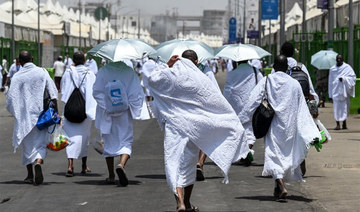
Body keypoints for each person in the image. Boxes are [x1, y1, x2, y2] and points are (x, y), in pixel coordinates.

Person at [147, 51, 249, 211]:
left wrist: (167, 64)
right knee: (188, 165)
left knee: (173, 163)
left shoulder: (170, 74)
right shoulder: (201, 78)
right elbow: (214, 99)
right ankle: (186, 202)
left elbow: (152, 79)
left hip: (174, 127)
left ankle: (180, 203)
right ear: (196, 61)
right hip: (194, 129)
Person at [239, 55, 321, 202]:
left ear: (274, 67)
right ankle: (278, 187)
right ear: (287, 68)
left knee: (273, 155)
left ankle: (281, 186)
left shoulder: (267, 80)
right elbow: (302, 108)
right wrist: (310, 130)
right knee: (285, 157)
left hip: (273, 125)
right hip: (290, 127)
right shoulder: (295, 84)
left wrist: (241, 119)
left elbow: (253, 100)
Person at [6, 50, 58, 185]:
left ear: (19, 61)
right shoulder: (42, 72)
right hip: (41, 116)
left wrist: (17, 112)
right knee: (41, 143)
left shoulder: (17, 76)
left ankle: (30, 175)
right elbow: (53, 92)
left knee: (26, 146)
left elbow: (10, 100)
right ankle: (39, 162)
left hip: (24, 118)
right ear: (33, 59)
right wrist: (56, 111)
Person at [92, 60, 145, 186]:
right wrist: (131, 107)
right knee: (126, 140)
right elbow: (136, 93)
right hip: (124, 113)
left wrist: (108, 105)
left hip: (107, 113)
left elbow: (96, 91)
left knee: (108, 142)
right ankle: (121, 164)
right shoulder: (129, 72)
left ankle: (111, 175)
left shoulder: (103, 71)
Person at [182, 51, 221, 182]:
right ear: (197, 61)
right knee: (206, 137)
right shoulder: (206, 70)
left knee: (188, 139)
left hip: (186, 110)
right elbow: (215, 90)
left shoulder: (178, 71)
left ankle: (186, 167)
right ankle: (200, 162)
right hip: (204, 109)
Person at [60, 52, 97, 177]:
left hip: (69, 109)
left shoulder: (67, 72)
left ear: (73, 61)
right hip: (84, 110)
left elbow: (63, 90)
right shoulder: (90, 74)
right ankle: (83, 165)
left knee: (69, 138)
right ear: (85, 60)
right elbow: (93, 92)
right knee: (84, 138)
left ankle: (70, 165)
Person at [223, 59, 264, 166]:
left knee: (238, 129)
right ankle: (247, 150)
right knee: (250, 129)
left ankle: (244, 152)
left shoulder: (232, 73)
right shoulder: (255, 71)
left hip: (236, 104)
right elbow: (261, 86)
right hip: (251, 104)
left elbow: (227, 90)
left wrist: (226, 105)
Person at [328, 54, 356, 130]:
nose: (339, 60)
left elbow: (353, 78)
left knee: (344, 108)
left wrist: (344, 79)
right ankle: (337, 124)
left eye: (340, 58)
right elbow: (330, 82)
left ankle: (344, 123)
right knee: (336, 108)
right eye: (337, 58)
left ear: (343, 59)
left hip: (344, 92)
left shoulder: (347, 68)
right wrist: (330, 94)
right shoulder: (332, 69)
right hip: (335, 91)